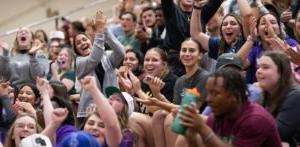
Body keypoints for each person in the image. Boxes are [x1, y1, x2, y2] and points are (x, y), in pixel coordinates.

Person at [176, 67, 282, 147]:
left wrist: (203, 128)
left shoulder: (255, 119)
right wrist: (190, 135)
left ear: (234, 96)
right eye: (208, 93)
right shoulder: (218, 116)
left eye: (215, 93)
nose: (208, 99)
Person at [74, 10, 125, 118]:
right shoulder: (79, 62)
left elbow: (120, 52)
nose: (82, 43)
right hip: (89, 112)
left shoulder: (107, 56)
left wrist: (104, 29)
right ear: (77, 50)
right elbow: (94, 58)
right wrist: (99, 32)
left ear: (91, 41)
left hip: (112, 107)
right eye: (78, 43)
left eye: (84, 39)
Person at [256, 51, 300, 147]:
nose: (258, 71)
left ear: (281, 72)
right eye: (258, 67)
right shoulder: (264, 95)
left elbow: (277, 134)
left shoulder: (296, 96)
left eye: (265, 67)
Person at [80, 76, 134, 147]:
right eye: (90, 123)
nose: (110, 100)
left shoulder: (126, 135)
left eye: (117, 99)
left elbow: (112, 125)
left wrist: (93, 89)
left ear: (125, 109)